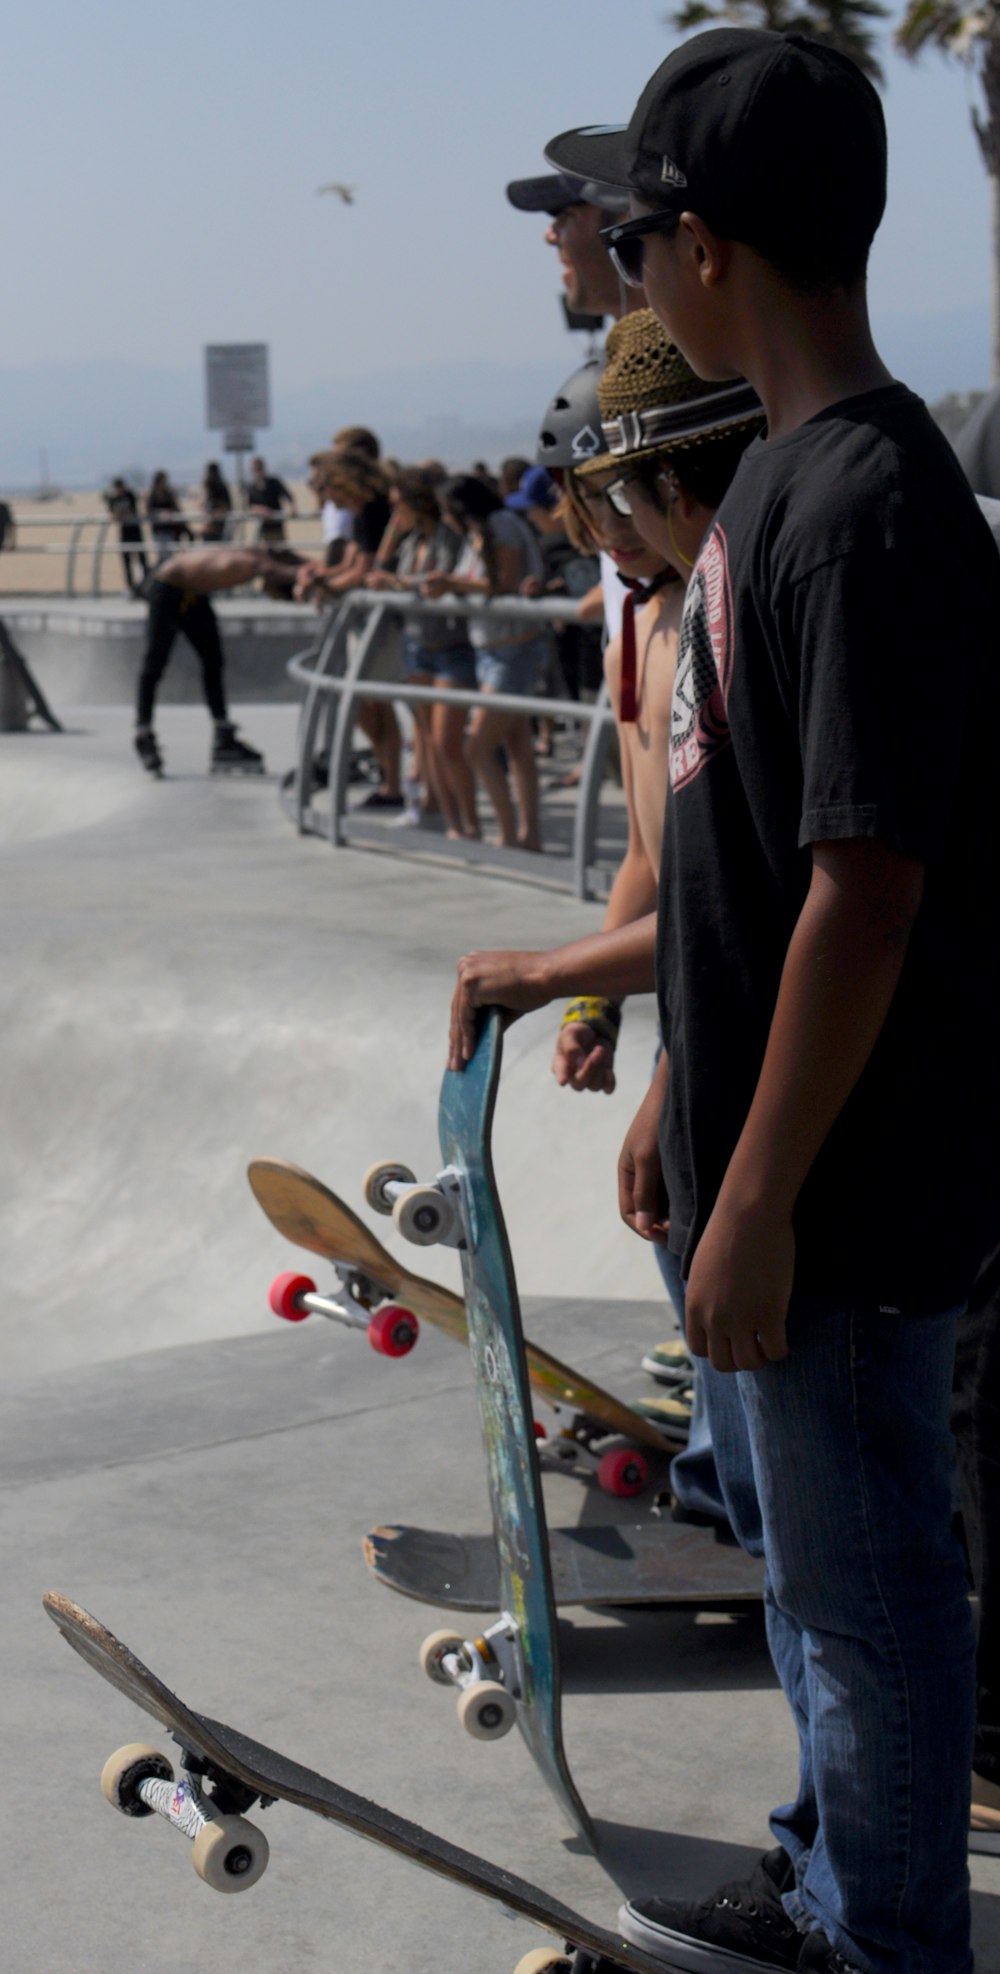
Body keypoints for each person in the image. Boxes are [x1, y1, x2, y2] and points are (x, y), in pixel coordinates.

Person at [543, 29, 1000, 1972]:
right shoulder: (780, 495)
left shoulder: (865, 509)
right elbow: (741, 875)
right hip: (775, 1156)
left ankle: (879, 1931)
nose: (626, 280)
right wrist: (682, 1102)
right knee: (818, 1571)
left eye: (637, 244)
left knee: (868, 1587)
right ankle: (828, 1863)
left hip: (842, 1191)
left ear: (704, 246)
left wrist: (754, 1199)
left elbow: (863, 894)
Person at [425, 474, 551, 852]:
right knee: (516, 747)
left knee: (477, 748)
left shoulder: (500, 525)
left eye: (448, 512)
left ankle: (509, 836)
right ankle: (528, 836)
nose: (446, 520)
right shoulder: (486, 529)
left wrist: (451, 584)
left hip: (511, 650)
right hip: (494, 650)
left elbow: (504, 582)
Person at [366, 468, 479, 838]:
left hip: (450, 647)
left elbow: (440, 582)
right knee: (428, 740)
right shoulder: (413, 540)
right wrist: (391, 537)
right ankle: (442, 817)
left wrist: (397, 582)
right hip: (418, 645)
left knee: (448, 743)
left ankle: (469, 824)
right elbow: (385, 573)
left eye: (397, 504)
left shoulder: (447, 538)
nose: (392, 510)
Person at [295, 449, 404, 808]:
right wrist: (322, 576)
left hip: (388, 623)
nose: (324, 497)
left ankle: (394, 783)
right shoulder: (361, 513)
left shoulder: (373, 510)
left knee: (369, 702)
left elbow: (364, 568)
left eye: (325, 487)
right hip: (374, 619)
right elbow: (354, 563)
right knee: (366, 703)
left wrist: (325, 585)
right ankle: (391, 779)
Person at [132, 544, 288, 777]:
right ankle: (143, 734)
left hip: (192, 594)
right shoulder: (251, 565)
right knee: (154, 663)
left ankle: (223, 735)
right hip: (166, 588)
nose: (268, 594)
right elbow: (272, 568)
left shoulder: (258, 554)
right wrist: (299, 576)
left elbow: (288, 562)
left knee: (213, 660)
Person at [104, 477, 148, 595]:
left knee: (142, 559)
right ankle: (130, 587)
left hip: (135, 530)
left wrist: (121, 514)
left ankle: (145, 585)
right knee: (126, 561)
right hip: (124, 531)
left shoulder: (130, 495)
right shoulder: (113, 498)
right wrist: (120, 514)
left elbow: (132, 511)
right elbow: (113, 515)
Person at [246, 456, 296, 542]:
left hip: (276, 525)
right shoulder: (251, 487)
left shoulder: (273, 482)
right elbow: (249, 506)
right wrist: (260, 510)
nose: (257, 471)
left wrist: (292, 508)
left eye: (259, 468)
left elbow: (288, 495)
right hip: (262, 526)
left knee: (280, 549)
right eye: (255, 469)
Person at [146, 471, 190, 558]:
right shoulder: (152, 495)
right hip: (158, 528)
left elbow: (176, 508)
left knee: (170, 553)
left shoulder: (168, 494)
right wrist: (159, 513)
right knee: (161, 553)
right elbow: (148, 510)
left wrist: (170, 512)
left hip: (169, 527)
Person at [199, 462, 232, 543]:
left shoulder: (221, 489)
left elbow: (226, 507)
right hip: (209, 528)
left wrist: (214, 515)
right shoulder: (208, 489)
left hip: (219, 528)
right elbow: (202, 505)